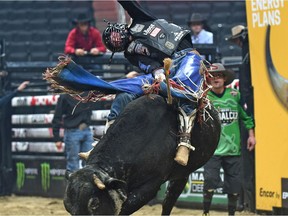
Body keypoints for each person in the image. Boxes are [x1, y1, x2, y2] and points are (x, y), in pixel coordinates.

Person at [101, 0, 205, 166]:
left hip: (185, 56)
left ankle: (184, 143)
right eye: (113, 42)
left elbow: (130, 4)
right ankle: (103, 143)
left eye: (115, 36)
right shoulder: (130, 53)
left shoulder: (140, 19)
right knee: (123, 93)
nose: (116, 40)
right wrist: (158, 73)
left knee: (186, 88)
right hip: (164, 71)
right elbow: (146, 64)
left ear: (119, 29)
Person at [202, 63, 256, 216]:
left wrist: (251, 135)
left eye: (219, 75)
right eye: (212, 76)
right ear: (208, 79)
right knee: (210, 182)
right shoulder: (204, 97)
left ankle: (231, 214)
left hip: (233, 150)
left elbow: (246, 117)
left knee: (234, 187)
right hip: (212, 150)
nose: (216, 79)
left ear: (224, 78)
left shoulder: (235, 95)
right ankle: (205, 212)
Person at [52, 94, 94, 173]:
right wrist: (57, 138)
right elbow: (57, 116)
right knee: (74, 164)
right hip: (74, 130)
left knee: (89, 161)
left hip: (84, 130)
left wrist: (57, 138)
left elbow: (57, 117)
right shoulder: (65, 96)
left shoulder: (86, 92)